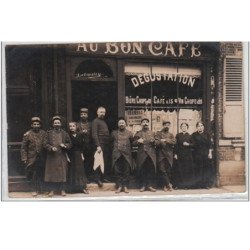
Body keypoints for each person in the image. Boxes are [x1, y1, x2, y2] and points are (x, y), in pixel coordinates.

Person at [44, 116, 72, 197]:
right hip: (52, 156)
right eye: (55, 123)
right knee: (51, 174)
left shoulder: (64, 133)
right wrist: (51, 148)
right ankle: (51, 190)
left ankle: (62, 190)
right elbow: (45, 144)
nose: (57, 124)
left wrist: (65, 145)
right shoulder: (48, 133)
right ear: (53, 124)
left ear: (60, 124)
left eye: (58, 123)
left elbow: (70, 143)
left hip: (62, 156)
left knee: (62, 174)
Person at [21, 117, 47, 197]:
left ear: (40, 125)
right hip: (32, 157)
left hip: (42, 157)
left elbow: (46, 144)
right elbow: (24, 148)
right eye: (34, 124)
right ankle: (34, 190)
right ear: (32, 125)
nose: (36, 126)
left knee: (42, 173)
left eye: (38, 124)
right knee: (33, 174)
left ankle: (42, 189)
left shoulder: (44, 133)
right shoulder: (28, 134)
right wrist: (24, 158)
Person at [133, 117, 157, 192]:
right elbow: (133, 143)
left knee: (150, 170)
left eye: (146, 122)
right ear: (141, 124)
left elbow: (157, 142)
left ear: (148, 124)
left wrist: (154, 141)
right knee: (142, 170)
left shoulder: (152, 133)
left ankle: (149, 186)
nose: (145, 123)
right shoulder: (138, 133)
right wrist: (138, 141)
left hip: (150, 154)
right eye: (143, 122)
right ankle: (143, 185)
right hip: (142, 154)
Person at [111, 117, 133, 193]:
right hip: (117, 154)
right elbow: (111, 143)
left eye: (122, 123)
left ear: (125, 124)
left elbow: (132, 143)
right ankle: (119, 186)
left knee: (126, 171)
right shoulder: (114, 133)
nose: (121, 124)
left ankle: (125, 186)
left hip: (126, 155)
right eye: (120, 123)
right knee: (117, 171)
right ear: (118, 124)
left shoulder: (130, 133)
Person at [91, 107, 110, 187]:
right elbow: (94, 134)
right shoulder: (95, 121)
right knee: (98, 162)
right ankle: (97, 179)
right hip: (99, 145)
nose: (102, 114)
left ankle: (103, 177)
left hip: (105, 145)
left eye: (104, 112)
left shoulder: (103, 121)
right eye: (101, 112)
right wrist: (98, 145)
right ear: (97, 113)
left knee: (104, 161)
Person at [68, 122, 89, 194]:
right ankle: (73, 189)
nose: (72, 127)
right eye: (70, 126)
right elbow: (67, 147)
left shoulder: (80, 135)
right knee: (72, 170)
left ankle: (83, 188)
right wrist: (67, 156)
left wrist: (82, 154)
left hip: (78, 154)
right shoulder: (68, 135)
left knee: (80, 170)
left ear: (76, 127)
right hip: (71, 155)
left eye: (73, 126)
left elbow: (83, 145)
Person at [155, 120, 176, 192]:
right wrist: (161, 141)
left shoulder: (171, 134)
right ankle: (169, 185)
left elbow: (174, 142)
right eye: (165, 125)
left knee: (168, 171)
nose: (167, 126)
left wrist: (166, 140)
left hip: (169, 155)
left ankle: (165, 186)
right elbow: (156, 142)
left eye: (168, 125)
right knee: (162, 170)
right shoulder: (158, 133)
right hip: (161, 155)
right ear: (163, 125)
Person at [191, 121, 213, 189]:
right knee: (198, 169)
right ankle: (198, 184)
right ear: (196, 127)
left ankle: (206, 184)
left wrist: (210, 153)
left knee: (206, 169)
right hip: (197, 154)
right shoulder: (194, 135)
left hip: (205, 154)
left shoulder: (207, 134)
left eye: (201, 126)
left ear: (203, 127)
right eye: (198, 126)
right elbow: (192, 145)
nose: (200, 127)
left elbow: (210, 145)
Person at [174, 123, 195, 189]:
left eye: (185, 126)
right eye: (182, 126)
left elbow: (194, 145)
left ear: (187, 127)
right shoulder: (178, 135)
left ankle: (186, 185)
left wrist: (188, 144)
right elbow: (175, 145)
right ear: (181, 127)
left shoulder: (190, 136)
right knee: (179, 170)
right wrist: (175, 154)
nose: (184, 127)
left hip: (187, 155)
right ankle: (179, 185)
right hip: (180, 155)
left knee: (186, 170)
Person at [76, 108, 93, 177]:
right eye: (82, 114)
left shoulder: (91, 124)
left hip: (89, 146)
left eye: (85, 114)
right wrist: (81, 132)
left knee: (89, 162)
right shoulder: (77, 124)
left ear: (87, 115)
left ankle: (88, 177)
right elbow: (74, 134)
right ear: (80, 115)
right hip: (80, 147)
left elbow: (93, 134)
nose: (83, 115)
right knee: (81, 162)